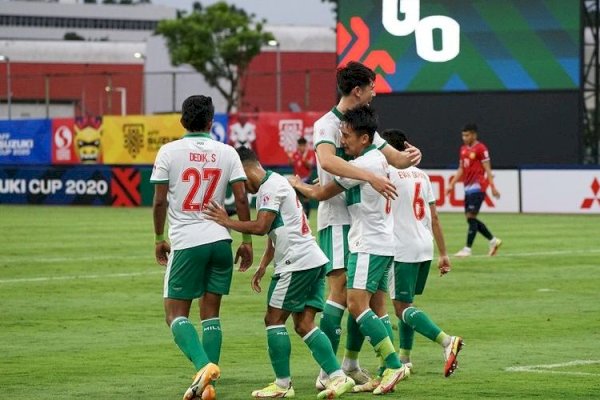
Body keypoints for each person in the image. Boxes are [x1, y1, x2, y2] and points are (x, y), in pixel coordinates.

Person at [203, 147, 355, 399]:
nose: (238, 187)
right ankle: (338, 377)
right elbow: (278, 229)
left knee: (273, 319)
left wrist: (225, 221)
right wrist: (263, 265)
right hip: (312, 259)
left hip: (296, 263)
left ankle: (282, 385)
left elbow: (262, 226)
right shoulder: (276, 183)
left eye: (236, 179)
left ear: (243, 169)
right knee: (304, 323)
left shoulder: (270, 187)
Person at [311, 61, 421, 389]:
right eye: (372, 87)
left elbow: (396, 158)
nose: (374, 94)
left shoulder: (362, 127)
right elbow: (328, 161)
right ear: (357, 90)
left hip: (363, 222)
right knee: (342, 291)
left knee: (369, 298)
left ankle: (350, 364)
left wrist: (412, 155)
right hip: (337, 217)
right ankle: (327, 372)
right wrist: (369, 175)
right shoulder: (326, 124)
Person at [291, 105, 410, 395]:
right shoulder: (369, 162)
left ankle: (392, 365)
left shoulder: (365, 165)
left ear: (365, 139)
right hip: (378, 242)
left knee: (356, 304)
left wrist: (296, 184)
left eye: (347, 136)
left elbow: (322, 191)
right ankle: (382, 369)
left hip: (368, 243)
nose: (343, 140)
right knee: (371, 305)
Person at [150, 95, 254, 400]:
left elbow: (159, 200)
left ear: (183, 120)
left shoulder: (169, 151)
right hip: (221, 239)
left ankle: (204, 366)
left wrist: (159, 237)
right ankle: (207, 386)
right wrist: (247, 241)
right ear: (212, 122)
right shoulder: (228, 152)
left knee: (175, 314)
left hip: (187, 241)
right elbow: (243, 199)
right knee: (211, 314)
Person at [380, 129, 463, 378]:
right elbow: (434, 216)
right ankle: (405, 358)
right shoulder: (422, 175)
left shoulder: (387, 173)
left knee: (400, 307)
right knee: (408, 304)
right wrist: (444, 253)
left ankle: (447, 341)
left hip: (401, 247)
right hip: (424, 246)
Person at [446, 123, 502, 257]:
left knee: (471, 217)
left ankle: (467, 249)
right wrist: (451, 184)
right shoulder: (463, 149)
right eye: (463, 135)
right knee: (470, 219)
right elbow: (461, 169)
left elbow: (488, 169)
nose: (464, 138)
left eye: (467, 135)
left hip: (478, 187)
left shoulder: (481, 148)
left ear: (474, 135)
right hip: (467, 187)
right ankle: (493, 241)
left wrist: (493, 186)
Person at [287, 136, 316, 218]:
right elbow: (291, 164)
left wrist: (304, 159)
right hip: (297, 180)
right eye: (300, 145)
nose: (301, 147)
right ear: (298, 146)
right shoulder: (295, 154)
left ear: (306, 146)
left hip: (306, 180)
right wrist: (289, 158)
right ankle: (297, 218)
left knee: (306, 200)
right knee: (296, 200)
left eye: (303, 145)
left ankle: (307, 218)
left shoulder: (309, 153)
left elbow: (310, 166)